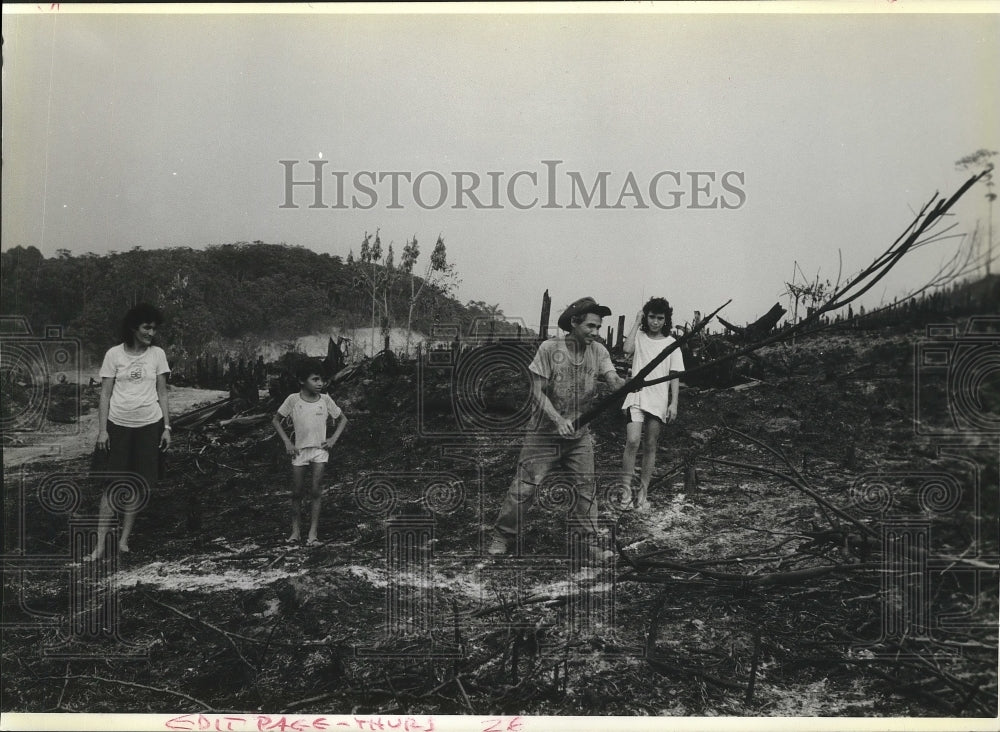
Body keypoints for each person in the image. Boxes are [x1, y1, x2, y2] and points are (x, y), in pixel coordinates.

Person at [488, 297, 626, 562]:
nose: (596, 332)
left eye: (598, 327)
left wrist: (626, 384)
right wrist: (557, 420)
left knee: (586, 489)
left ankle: (592, 542)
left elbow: (612, 379)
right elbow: (536, 392)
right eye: (591, 326)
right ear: (574, 323)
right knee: (525, 487)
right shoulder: (550, 349)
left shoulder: (598, 351)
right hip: (543, 434)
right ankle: (502, 535)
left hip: (579, 435)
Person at [86, 303, 171, 561]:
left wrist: (167, 427)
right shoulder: (114, 354)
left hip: (149, 426)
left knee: (138, 484)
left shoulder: (157, 354)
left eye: (154, 329)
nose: (151, 333)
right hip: (118, 425)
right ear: (134, 327)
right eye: (147, 327)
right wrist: (103, 430)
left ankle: (123, 540)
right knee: (111, 486)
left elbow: (162, 393)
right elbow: (105, 394)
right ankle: (99, 546)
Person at [272, 360, 348, 545]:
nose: (320, 383)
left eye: (322, 379)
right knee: (296, 492)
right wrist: (287, 443)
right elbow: (275, 420)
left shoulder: (326, 400)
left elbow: (343, 419)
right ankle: (295, 532)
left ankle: (313, 534)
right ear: (301, 381)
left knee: (316, 491)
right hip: (299, 452)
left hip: (320, 452)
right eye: (315, 379)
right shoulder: (293, 400)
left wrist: (332, 440)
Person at [621, 297, 685, 511]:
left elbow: (675, 375)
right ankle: (625, 491)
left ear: (665, 319)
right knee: (632, 441)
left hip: (658, 400)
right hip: (636, 396)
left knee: (650, 445)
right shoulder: (638, 336)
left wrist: (673, 403)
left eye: (659, 318)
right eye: (651, 317)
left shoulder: (671, 344)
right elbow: (626, 349)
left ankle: (643, 493)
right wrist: (636, 320)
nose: (655, 322)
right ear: (646, 317)